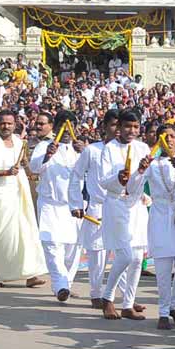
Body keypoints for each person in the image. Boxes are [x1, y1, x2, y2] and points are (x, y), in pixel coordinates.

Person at [0, 110, 47, 288]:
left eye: (9, 123)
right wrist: (5, 173)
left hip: (19, 194)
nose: (6, 126)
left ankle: (31, 274)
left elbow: (27, 169)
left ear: (15, 125)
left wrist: (39, 164)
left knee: (26, 233)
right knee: (0, 237)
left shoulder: (19, 142)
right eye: (2, 123)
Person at [98, 109, 150, 320]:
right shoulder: (109, 149)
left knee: (137, 257)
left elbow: (142, 179)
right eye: (127, 126)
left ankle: (128, 303)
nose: (131, 130)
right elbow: (103, 180)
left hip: (136, 205)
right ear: (119, 128)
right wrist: (119, 178)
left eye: (136, 127)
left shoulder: (143, 147)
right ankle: (107, 298)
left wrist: (140, 173)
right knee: (125, 255)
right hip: (116, 203)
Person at [68, 109, 123, 310]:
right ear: (104, 127)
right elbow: (76, 177)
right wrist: (76, 204)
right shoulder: (92, 150)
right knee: (97, 255)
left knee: (124, 253)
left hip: (121, 207)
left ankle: (127, 298)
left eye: (121, 125)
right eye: (113, 125)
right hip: (97, 208)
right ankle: (96, 294)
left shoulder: (128, 150)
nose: (118, 130)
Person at [140, 125, 175, 329]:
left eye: (173, 137)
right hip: (160, 214)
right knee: (163, 266)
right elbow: (134, 184)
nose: (169, 140)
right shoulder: (151, 163)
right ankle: (162, 312)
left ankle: (174, 306)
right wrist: (140, 169)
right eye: (165, 137)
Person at [30, 111, 83, 301]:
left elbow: (95, 173)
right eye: (62, 126)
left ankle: (65, 285)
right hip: (50, 204)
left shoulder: (81, 149)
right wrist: (47, 155)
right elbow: (34, 168)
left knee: (73, 249)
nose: (66, 131)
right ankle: (60, 285)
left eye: (70, 126)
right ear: (56, 127)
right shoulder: (44, 146)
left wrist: (84, 153)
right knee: (52, 245)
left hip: (74, 207)